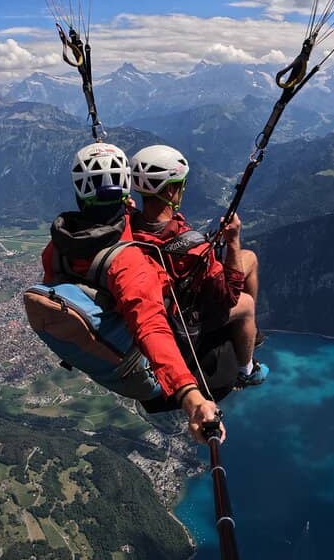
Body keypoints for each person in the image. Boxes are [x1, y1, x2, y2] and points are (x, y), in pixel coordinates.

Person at [40, 142, 232, 444]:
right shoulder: (128, 262)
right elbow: (150, 326)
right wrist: (191, 397)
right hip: (135, 357)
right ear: (126, 189)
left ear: (78, 191)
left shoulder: (56, 248)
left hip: (97, 345)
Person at [128, 144, 267, 388]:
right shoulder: (191, 248)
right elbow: (229, 296)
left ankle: (248, 334)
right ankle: (247, 369)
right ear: (170, 190)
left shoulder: (127, 226)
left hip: (158, 301)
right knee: (246, 304)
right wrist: (233, 241)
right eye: (180, 185)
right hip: (182, 317)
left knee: (250, 258)